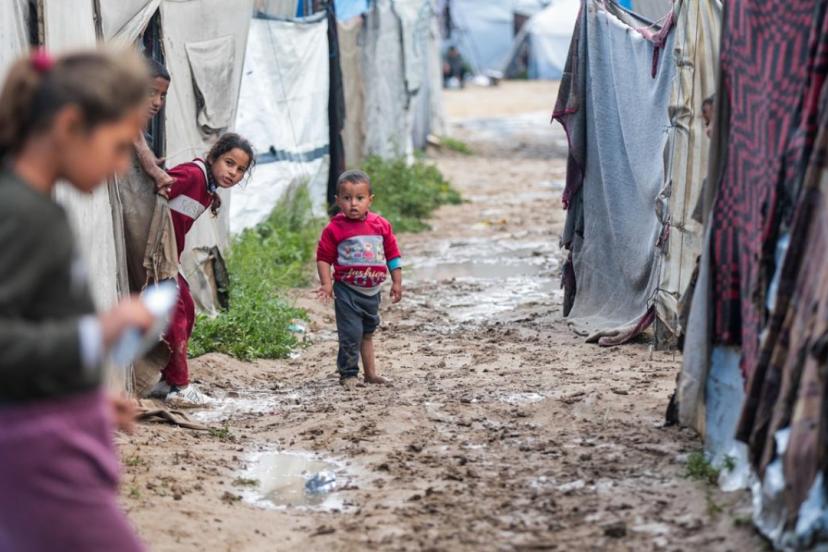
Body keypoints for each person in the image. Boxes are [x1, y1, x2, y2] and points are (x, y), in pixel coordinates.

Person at [0, 48, 154, 551]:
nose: (122, 165)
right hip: (39, 458)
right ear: (70, 125)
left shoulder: (36, 207)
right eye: (118, 146)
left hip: (46, 436)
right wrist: (98, 332)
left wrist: (79, 399)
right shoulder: (21, 214)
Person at [150, 133, 254, 404]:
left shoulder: (207, 189)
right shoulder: (193, 175)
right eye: (229, 163)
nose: (233, 173)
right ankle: (180, 387)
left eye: (240, 169)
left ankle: (167, 380)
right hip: (157, 253)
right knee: (176, 314)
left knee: (187, 307)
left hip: (170, 256)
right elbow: (157, 190)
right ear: (214, 157)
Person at [316, 170, 403, 389]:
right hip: (347, 291)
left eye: (359, 198)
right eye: (347, 198)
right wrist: (326, 284)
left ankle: (370, 374)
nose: (353, 204)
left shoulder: (381, 225)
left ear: (370, 200)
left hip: (372, 292)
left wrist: (397, 282)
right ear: (337, 200)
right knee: (351, 333)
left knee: (367, 333)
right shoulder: (334, 228)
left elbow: (392, 255)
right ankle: (348, 374)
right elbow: (324, 258)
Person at [134, 58, 174, 196]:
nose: (157, 102)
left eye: (162, 96)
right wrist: (151, 167)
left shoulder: (146, 137)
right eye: (151, 93)